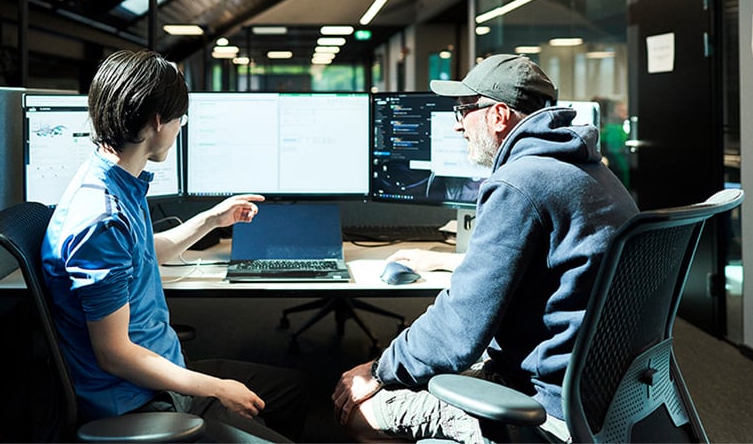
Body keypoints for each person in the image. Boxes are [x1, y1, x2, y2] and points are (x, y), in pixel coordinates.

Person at [333, 54, 638, 443]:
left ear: (498, 115)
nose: (458, 123)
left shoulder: (518, 183)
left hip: (543, 405)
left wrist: (376, 371)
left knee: (360, 412)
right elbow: (557, 265)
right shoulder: (590, 170)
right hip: (605, 389)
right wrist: (456, 262)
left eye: (464, 109)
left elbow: (456, 334)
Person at [41, 50, 306, 443]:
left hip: (162, 365)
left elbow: (143, 252)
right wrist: (215, 387)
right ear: (157, 121)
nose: (181, 128)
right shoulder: (101, 217)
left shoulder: (112, 178)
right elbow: (113, 354)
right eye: (181, 118)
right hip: (141, 400)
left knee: (297, 391)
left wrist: (212, 219)